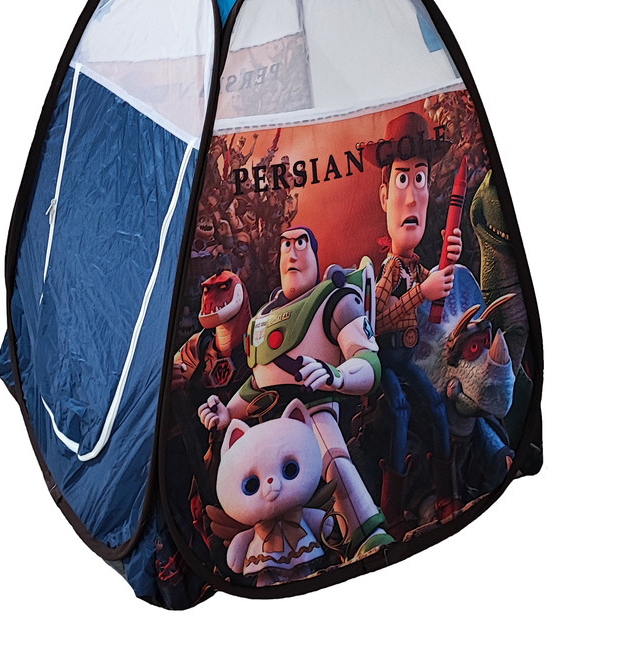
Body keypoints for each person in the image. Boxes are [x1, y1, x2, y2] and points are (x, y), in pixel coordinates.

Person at [198, 226, 394, 557]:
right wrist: (227, 412)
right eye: (286, 245)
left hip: (316, 411)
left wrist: (336, 376)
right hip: (270, 428)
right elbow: (259, 383)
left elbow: (368, 363)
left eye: (301, 243)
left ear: (315, 253)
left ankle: (366, 535)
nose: (292, 252)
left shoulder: (335, 299)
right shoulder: (262, 319)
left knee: (334, 460)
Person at [367, 111, 462, 532]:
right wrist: (421, 292)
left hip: (410, 362)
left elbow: (437, 292)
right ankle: (391, 509)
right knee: (401, 410)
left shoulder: (415, 267)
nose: (411, 198)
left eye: (419, 179)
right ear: (384, 196)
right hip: (386, 365)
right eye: (402, 180)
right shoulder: (389, 271)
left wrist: (449, 260)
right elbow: (376, 321)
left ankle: (447, 493)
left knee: (437, 404)